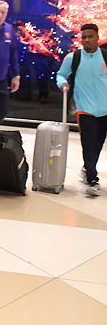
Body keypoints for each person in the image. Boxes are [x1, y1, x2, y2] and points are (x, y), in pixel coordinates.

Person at [57, 24, 107, 197]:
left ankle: (87, 168)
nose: (87, 40)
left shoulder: (105, 56)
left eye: (90, 36)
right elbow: (61, 74)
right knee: (89, 144)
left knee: (98, 144)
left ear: (97, 37)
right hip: (84, 110)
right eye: (84, 37)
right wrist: (63, 83)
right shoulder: (74, 57)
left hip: (105, 110)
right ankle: (92, 179)